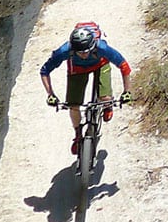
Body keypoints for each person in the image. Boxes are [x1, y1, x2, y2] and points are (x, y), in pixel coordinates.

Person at [39, 23, 133, 155]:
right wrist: (50, 94)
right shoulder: (65, 50)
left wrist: (127, 92)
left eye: (86, 51)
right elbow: (45, 70)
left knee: (105, 98)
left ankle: (107, 105)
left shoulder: (102, 47)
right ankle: (78, 135)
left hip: (101, 64)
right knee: (73, 105)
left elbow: (124, 66)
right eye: (79, 52)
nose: (83, 55)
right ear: (73, 49)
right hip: (77, 69)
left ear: (93, 46)